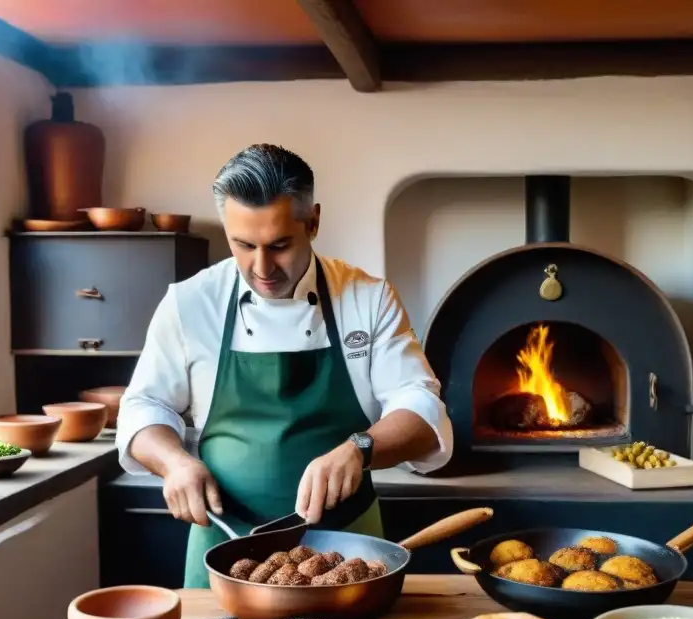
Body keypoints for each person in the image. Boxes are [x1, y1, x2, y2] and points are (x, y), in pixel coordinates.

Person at [116, 144, 453, 588]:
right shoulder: (190, 302)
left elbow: (420, 404)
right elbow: (145, 405)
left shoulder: (367, 298)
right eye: (243, 245)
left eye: (279, 245)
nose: (261, 268)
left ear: (312, 222)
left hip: (346, 547)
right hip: (223, 545)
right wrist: (174, 463)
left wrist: (360, 448)